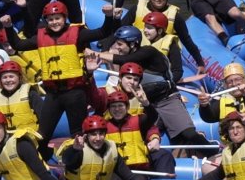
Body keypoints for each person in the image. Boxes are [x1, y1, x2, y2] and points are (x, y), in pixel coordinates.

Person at [4, 0, 116, 159]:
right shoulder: (40, 37)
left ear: (65, 18)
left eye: (58, 18)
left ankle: (82, 163)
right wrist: (8, 27)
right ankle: (43, 163)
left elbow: (103, 32)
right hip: (53, 95)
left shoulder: (78, 34)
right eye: (50, 19)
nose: (54, 22)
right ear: (46, 21)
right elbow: (18, 45)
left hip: (75, 93)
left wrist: (109, 16)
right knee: (43, 134)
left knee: (78, 134)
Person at [85, 25, 215, 154]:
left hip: (166, 100)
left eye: (120, 44)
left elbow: (126, 59)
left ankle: (212, 152)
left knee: (188, 134)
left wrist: (95, 54)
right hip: (144, 104)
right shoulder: (125, 64)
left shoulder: (148, 52)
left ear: (133, 44)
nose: (117, 47)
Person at [57, 116, 163, 180]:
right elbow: (68, 159)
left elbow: (129, 177)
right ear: (86, 136)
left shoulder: (111, 149)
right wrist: (74, 149)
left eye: (101, 134)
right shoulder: (79, 151)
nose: (98, 138)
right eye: (93, 134)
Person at [118, 0, 206, 74]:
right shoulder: (136, 9)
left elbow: (186, 40)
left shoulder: (175, 17)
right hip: (137, 53)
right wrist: (105, 48)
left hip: (162, 57)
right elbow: (119, 31)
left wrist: (200, 63)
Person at [102, 90, 176, 180]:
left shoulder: (139, 120)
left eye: (120, 106)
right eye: (113, 106)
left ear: (127, 107)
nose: (117, 109)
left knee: (164, 155)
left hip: (139, 168)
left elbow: (153, 117)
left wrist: (146, 103)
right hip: (118, 170)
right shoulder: (103, 126)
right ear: (109, 109)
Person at [140, 11, 185, 83]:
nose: (145, 30)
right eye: (145, 27)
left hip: (159, 79)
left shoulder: (171, 45)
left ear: (160, 31)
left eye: (149, 28)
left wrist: (168, 83)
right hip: (138, 76)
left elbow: (178, 71)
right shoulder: (139, 36)